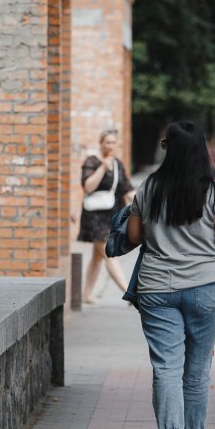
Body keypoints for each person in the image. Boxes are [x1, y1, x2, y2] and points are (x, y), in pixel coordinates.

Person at [126, 121, 215, 429]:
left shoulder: (149, 188)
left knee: (166, 366)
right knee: (198, 366)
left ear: (168, 149)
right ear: (203, 151)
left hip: (156, 288)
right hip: (204, 286)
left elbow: (133, 237)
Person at [78, 129, 134, 305]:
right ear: (101, 143)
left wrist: (144, 204)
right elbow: (88, 187)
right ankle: (130, 293)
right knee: (109, 254)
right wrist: (103, 167)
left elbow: (127, 190)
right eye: (107, 142)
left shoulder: (118, 164)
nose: (110, 146)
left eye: (113, 142)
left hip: (112, 216)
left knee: (97, 258)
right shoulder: (92, 162)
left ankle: (86, 295)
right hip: (94, 217)